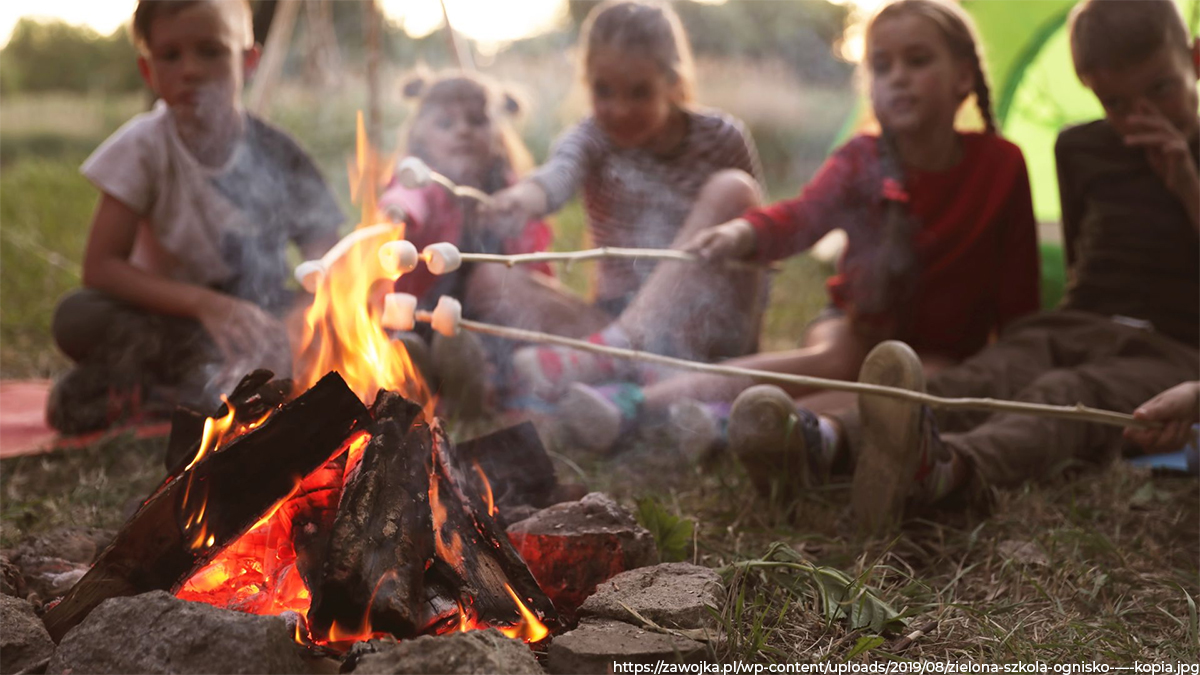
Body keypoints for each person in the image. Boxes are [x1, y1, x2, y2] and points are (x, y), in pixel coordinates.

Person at [729, 0, 1199, 529]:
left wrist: (1186, 185)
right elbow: (1080, 262)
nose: (1142, 114)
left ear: (1195, 60)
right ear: (1090, 89)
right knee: (980, 378)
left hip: (1171, 348)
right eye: (1116, 101)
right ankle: (824, 442)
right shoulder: (1082, 147)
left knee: (1064, 398)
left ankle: (947, 471)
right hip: (1077, 321)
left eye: (1161, 89)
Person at [554, 0, 1041, 455]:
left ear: (962, 76)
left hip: (943, 349)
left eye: (917, 61)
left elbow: (1019, 293)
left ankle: (738, 423)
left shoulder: (1001, 166)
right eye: (882, 66)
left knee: (908, 387)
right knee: (838, 362)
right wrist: (744, 233)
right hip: (854, 323)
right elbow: (802, 215)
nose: (899, 79)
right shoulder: (863, 158)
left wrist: (1018, 361)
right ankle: (638, 404)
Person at [46, 0, 343, 434]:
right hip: (170, 318)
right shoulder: (143, 147)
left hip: (258, 319)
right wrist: (208, 307)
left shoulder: (278, 151)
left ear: (248, 61)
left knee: (348, 329)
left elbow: (327, 250)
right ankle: (200, 387)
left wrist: (300, 318)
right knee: (77, 316)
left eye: (210, 50)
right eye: (170, 55)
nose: (190, 70)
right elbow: (101, 267)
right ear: (148, 72)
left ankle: (177, 392)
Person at [480, 0, 768, 405]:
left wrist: (749, 342)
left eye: (639, 92)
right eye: (603, 91)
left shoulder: (722, 137)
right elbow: (558, 174)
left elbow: (761, 242)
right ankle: (629, 374)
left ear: (672, 81)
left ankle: (617, 362)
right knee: (488, 279)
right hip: (613, 319)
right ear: (586, 81)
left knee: (734, 191)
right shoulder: (591, 138)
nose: (619, 109)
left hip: (704, 326)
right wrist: (522, 198)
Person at [376, 72, 555, 413]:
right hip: (424, 308)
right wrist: (396, 212)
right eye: (445, 123)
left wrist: (538, 293)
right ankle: (419, 374)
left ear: (498, 134)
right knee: (416, 336)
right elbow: (409, 195)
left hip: (490, 319)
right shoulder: (426, 181)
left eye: (476, 121)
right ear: (420, 138)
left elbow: (532, 257)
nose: (462, 130)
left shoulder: (508, 191)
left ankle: (475, 385)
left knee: (486, 346)